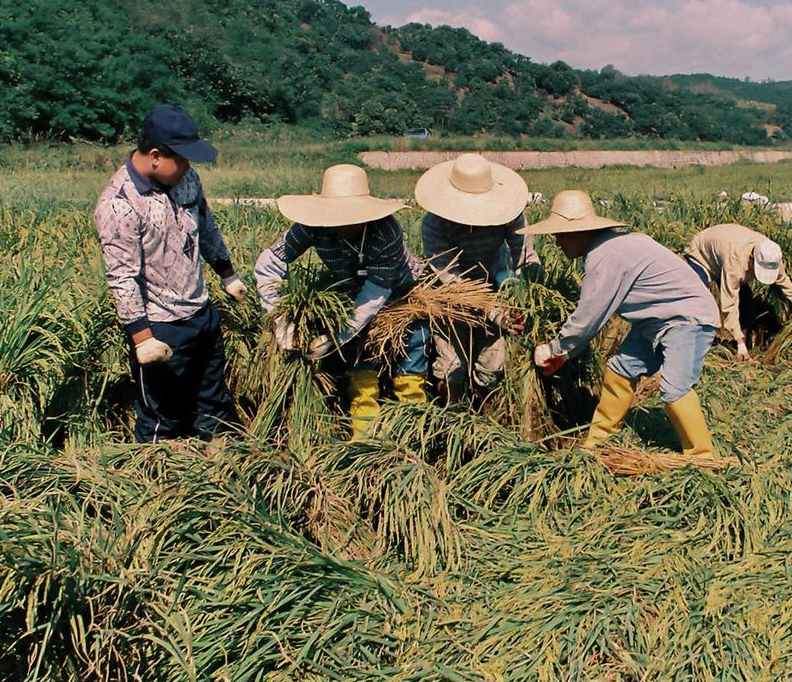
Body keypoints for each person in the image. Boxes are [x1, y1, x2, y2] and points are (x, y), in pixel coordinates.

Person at [524, 190, 719, 456]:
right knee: (620, 370)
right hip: (655, 322)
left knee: (674, 389)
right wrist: (567, 353)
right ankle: (597, 444)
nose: (557, 242)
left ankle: (702, 458)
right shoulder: (613, 245)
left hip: (687, 320)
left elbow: (590, 315)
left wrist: (555, 348)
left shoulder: (604, 256)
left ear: (578, 233)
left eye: (559, 235)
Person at [94, 104, 247, 442]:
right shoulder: (119, 204)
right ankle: (162, 482)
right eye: (183, 158)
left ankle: (217, 475)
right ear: (154, 156)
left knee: (213, 406)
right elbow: (122, 277)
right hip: (162, 326)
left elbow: (204, 226)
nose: (190, 166)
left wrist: (227, 272)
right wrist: (142, 337)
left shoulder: (186, 179)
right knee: (164, 419)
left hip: (202, 314)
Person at [254, 164, 427, 435]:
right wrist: (280, 320)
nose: (341, 222)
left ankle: (413, 435)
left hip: (401, 298)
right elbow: (270, 261)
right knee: (362, 373)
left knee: (409, 373)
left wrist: (334, 337)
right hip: (352, 296)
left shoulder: (385, 232)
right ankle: (363, 440)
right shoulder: (313, 225)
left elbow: (373, 296)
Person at [415, 153, 541, 401]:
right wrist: (491, 311)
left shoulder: (508, 211)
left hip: (494, 283)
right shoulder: (434, 224)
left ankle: (483, 418)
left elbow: (524, 254)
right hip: (449, 295)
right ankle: (453, 419)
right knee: (452, 365)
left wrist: (529, 290)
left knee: (492, 364)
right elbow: (450, 278)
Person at [684, 224, 792, 361]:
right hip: (702, 254)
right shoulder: (735, 262)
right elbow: (729, 304)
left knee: (746, 299)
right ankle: (689, 342)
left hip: (725, 250)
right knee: (696, 298)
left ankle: (744, 341)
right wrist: (739, 342)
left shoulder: (771, 255)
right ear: (751, 258)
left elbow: (784, 281)